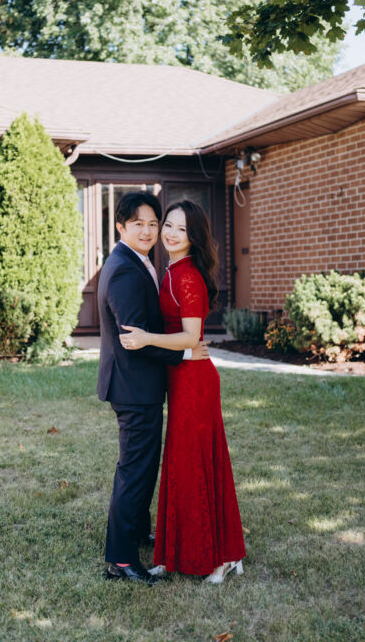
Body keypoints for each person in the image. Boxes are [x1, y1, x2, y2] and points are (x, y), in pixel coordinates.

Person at [120, 199, 247, 583]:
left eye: (182, 229)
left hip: (195, 383)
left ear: (194, 237)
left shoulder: (187, 276)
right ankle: (172, 553)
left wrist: (146, 338)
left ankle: (221, 557)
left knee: (196, 467)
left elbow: (192, 336)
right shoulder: (172, 270)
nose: (172, 234)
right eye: (169, 226)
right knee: (179, 466)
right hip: (181, 379)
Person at [97, 191, 209, 585]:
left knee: (143, 467)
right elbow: (135, 338)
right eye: (137, 224)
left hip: (137, 384)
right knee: (135, 471)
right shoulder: (125, 270)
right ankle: (121, 559)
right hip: (133, 386)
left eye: (152, 223)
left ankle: (138, 532)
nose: (147, 231)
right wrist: (185, 353)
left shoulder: (135, 260)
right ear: (120, 227)